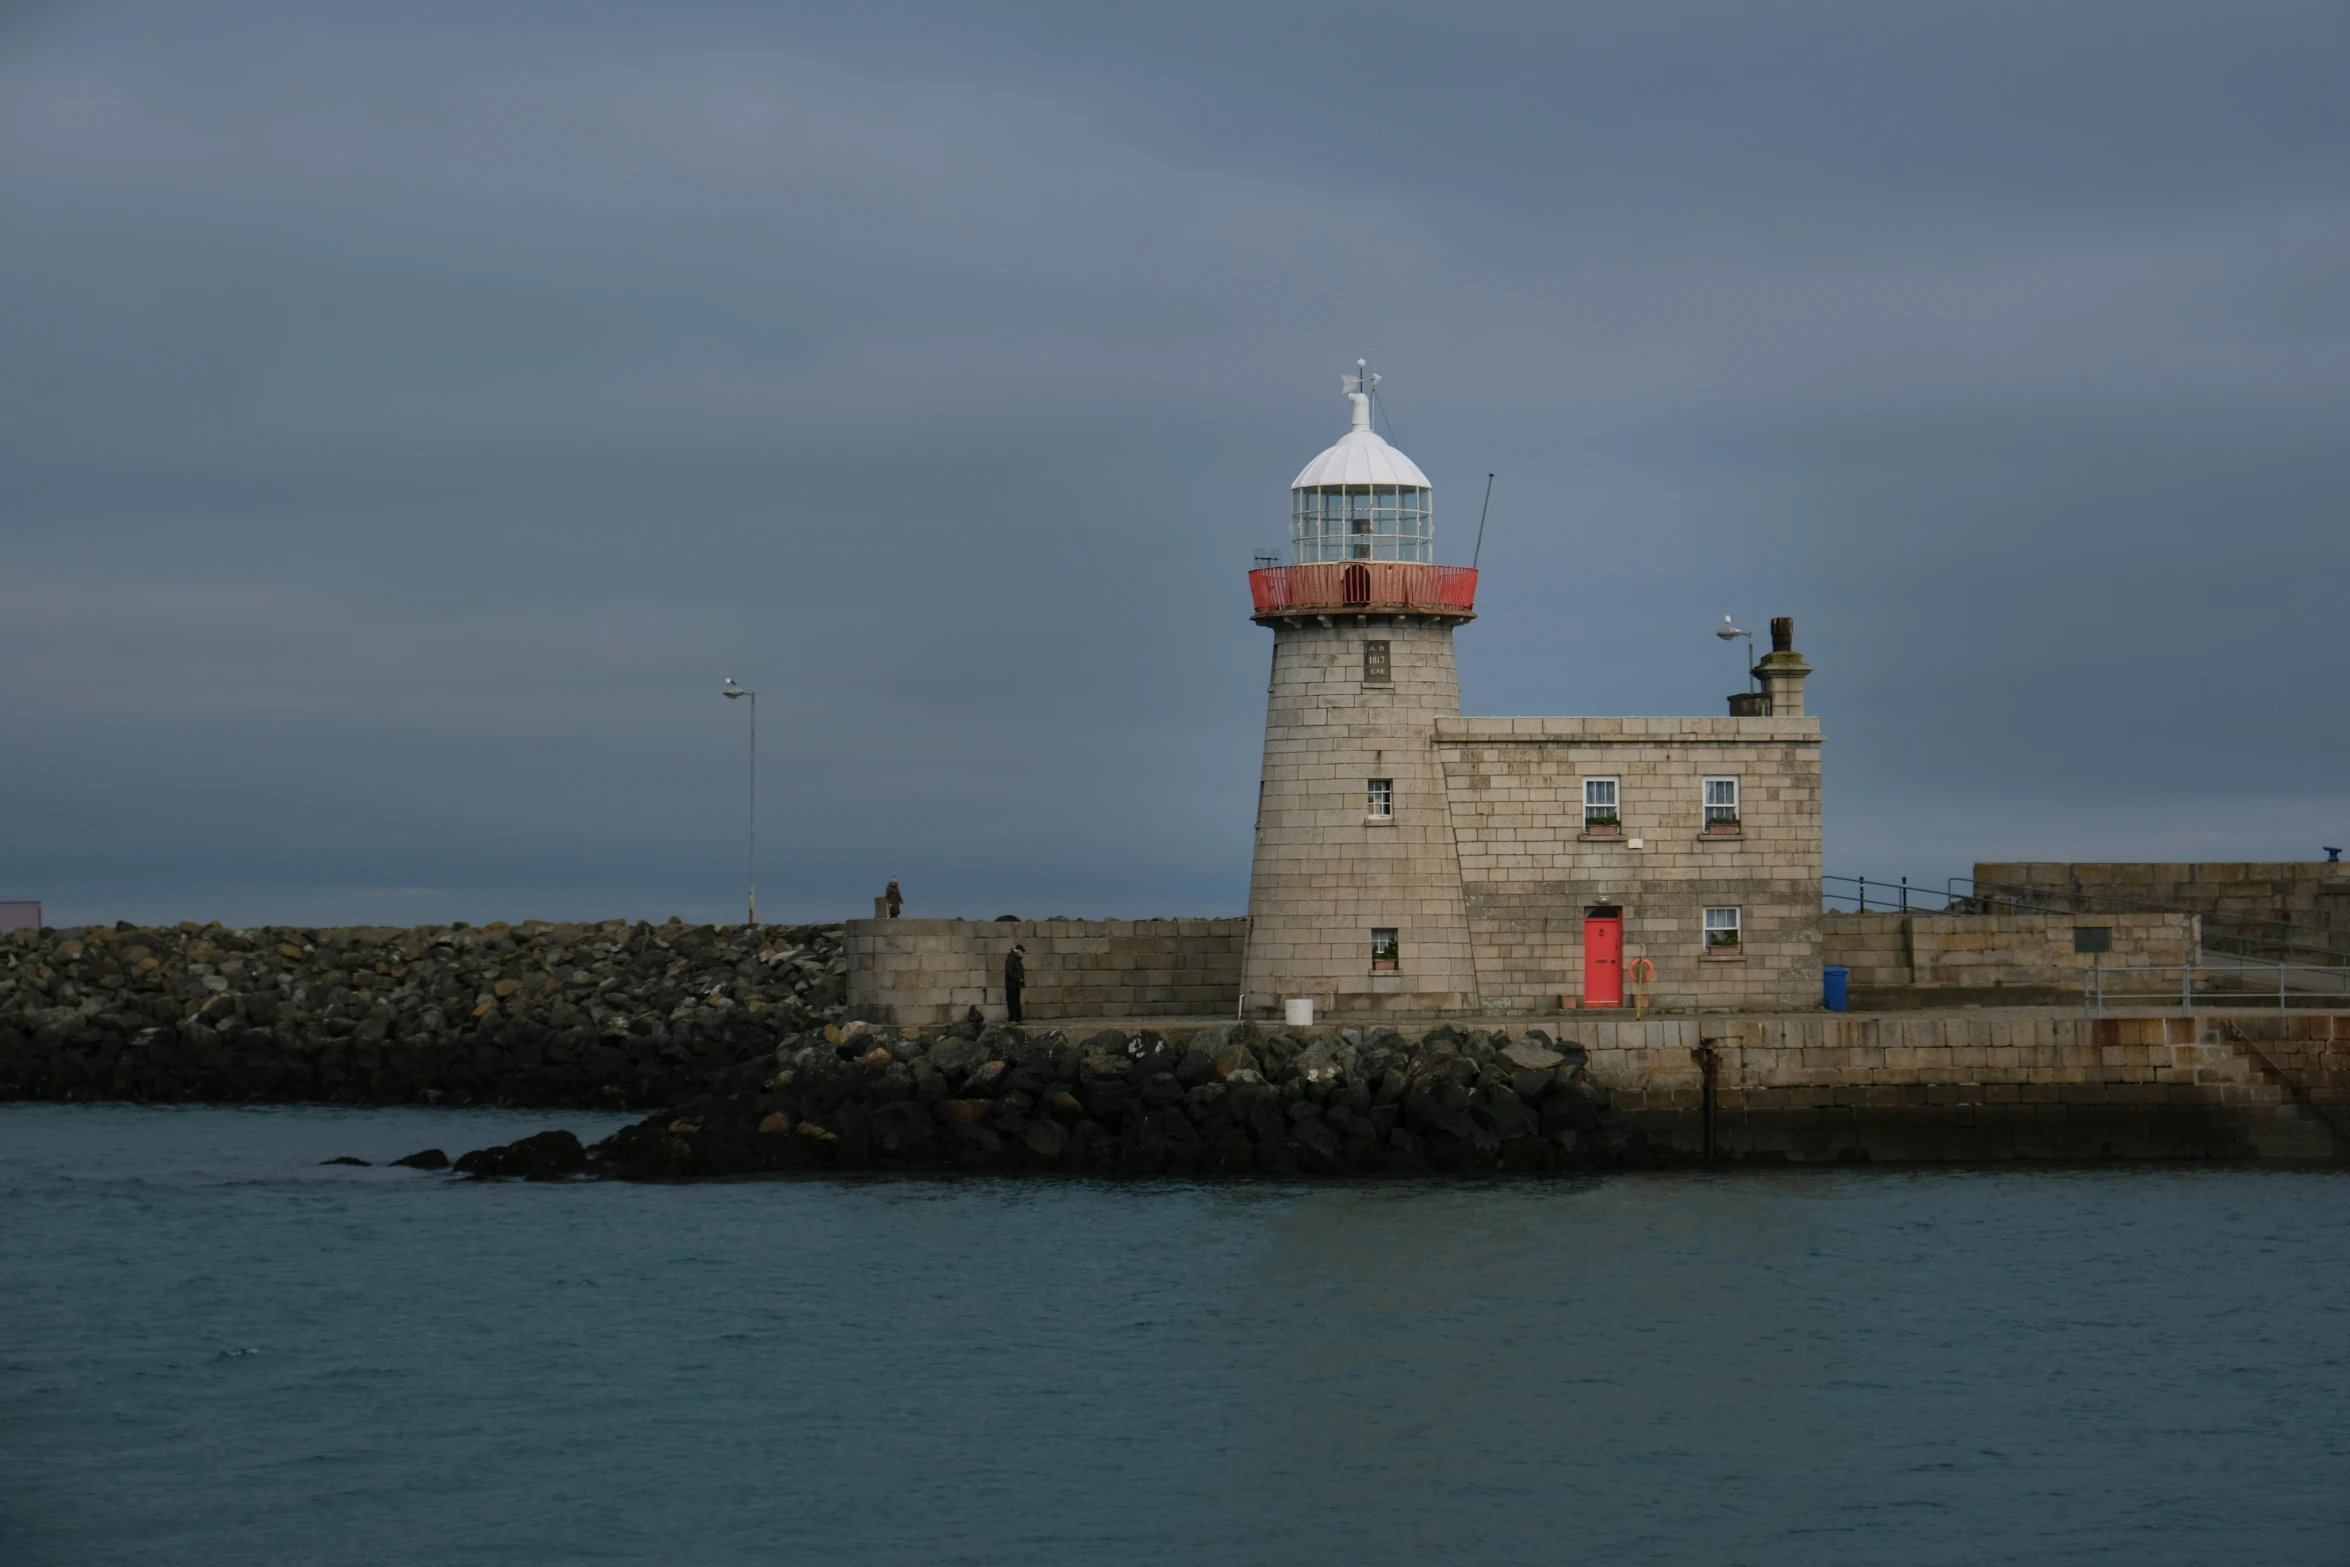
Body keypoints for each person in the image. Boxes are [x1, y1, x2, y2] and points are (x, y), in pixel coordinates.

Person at [1003, 943, 1026, 1024]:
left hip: (1016, 985)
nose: (1023, 954)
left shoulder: (1016, 960)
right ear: (1018, 951)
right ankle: (1012, 1019)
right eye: (1022, 952)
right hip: (1011, 985)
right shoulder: (1011, 959)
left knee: (1016, 1002)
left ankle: (1018, 1019)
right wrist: (1018, 979)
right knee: (1012, 1002)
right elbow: (1009, 972)